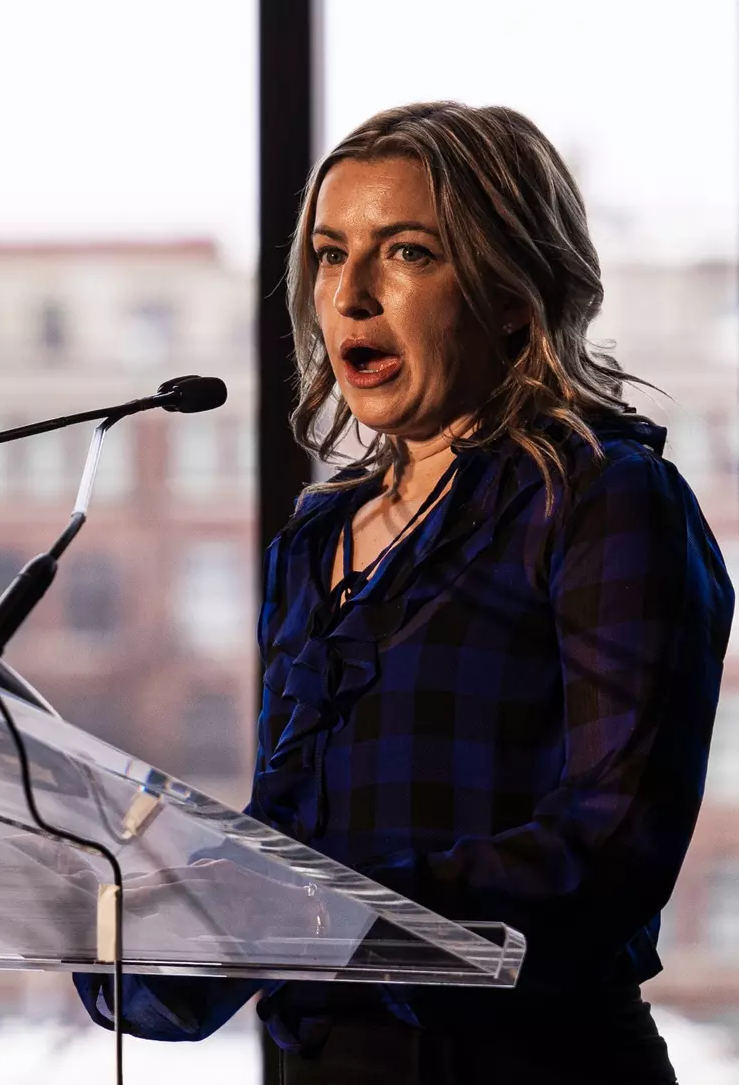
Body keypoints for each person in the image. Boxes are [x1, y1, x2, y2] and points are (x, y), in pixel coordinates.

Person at [75, 101, 734, 1083]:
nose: (352, 296)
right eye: (332, 255)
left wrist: (316, 910)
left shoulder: (605, 498)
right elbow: (295, 832)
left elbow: (611, 846)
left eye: (409, 252)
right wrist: (161, 930)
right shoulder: (318, 535)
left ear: (512, 289)